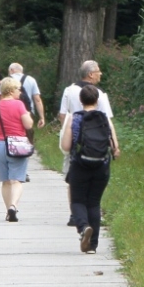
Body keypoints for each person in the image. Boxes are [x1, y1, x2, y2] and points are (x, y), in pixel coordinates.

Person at [57, 60, 121, 225]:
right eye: (98, 71)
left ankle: (75, 214)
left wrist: (67, 133)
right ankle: (90, 214)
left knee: (72, 176)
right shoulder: (100, 94)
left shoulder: (69, 90)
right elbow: (107, 120)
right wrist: (114, 146)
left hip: (73, 140)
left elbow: (62, 115)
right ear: (91, 74)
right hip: (96, 143)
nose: (101, 74)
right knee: (95, 180)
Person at [59, 85, 118, 253]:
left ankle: (84, 227)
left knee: (78, 200)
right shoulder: (105, 119)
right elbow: (115, 147)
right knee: (94, 203)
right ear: (97, 100)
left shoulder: (74, 118)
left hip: (80, 165)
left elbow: (65, 146)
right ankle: (92, 245)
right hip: (101, 165)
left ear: (80, 100)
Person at [0, 77, 34, 222]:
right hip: (17, 144)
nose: (20, 92)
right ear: (11, 90)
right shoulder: (19, 104)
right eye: (18, 89)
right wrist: (28, 116)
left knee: (5, 181)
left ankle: (8, 209)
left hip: (0, 144)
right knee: (16, 180)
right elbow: (28, 125)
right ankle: (13, 206)